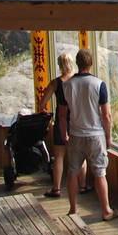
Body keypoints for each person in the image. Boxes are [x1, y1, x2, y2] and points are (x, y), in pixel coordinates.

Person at [58, 47, 118, 221]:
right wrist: (108, 137)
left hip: (75, 134)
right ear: (91, 63)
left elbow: (62, 115)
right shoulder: (99, 84)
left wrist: (64, 134)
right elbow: (106, 115)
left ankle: (73, 209)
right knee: (100, 172)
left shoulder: (66, 85)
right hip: (95, 135)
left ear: (77, 63)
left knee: (72, 171)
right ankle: (106, 210)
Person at [38, 50, 77, 198]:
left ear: (60, 65)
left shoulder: (56, 83)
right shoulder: (78, 80)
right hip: (77, 121)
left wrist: (45, 112)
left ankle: (56, 188)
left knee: (59, 156)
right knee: (78, 156)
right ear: (72, 63)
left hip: (61, 122)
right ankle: (83, 185)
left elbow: (42, 104)